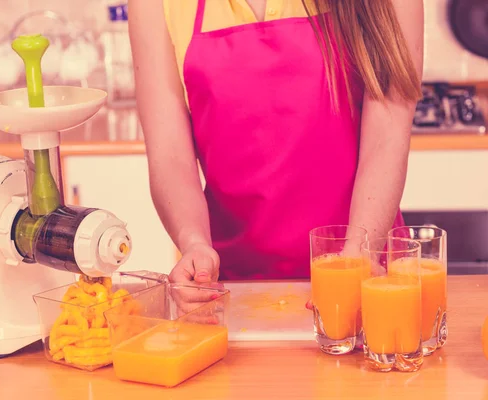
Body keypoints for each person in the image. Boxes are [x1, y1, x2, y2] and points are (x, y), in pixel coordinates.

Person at [128, 0, 423, 288]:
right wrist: (194, 244)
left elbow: (387, 138)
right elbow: (170, 156)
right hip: (231, 284)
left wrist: (358, 255)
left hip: (365, 273)